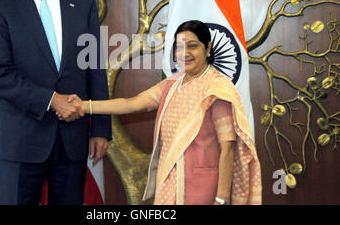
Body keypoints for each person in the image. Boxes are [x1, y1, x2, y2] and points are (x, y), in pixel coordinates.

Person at [0, 0, 111, 205]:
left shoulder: (83, 3)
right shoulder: (1, 10)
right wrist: (52, 99)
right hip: (20, 141)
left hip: (72, 141)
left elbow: (94, 67)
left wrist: (101, 128)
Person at [65, 20, 261, 205]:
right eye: (180, 47)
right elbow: (132, 103)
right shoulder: (172, 84)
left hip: (203, 188)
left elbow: (228, 149)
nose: (185, 53)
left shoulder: (217, 89)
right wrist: (84, 106)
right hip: (169, 183)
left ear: (207, 49)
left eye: (192, 46)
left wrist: (221, 199)